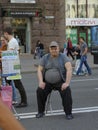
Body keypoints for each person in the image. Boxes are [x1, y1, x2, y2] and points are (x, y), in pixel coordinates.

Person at [36, 41, 73, 120]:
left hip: (60, 82)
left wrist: (66, 83)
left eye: (55, 48)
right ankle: (40, 112)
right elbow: (39, 70)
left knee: (67, 90)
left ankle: (68, 113)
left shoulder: (63, 57)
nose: (54, 50)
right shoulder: (45, 57)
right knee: (40, 90)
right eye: (52, 49)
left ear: (58, 49)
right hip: (48, 82)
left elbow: (69, 69)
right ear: (49, 49)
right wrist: (41, 82)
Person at [3, 26, 28, 108]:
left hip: (13, 66)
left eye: (4, 34)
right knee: (9, 83)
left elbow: (10, 54)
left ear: (6, 33)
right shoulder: (11, 41)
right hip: (12, 66)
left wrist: (2, 57)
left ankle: (24, 101)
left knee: (17, 84)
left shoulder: (12, 42)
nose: (4, 36)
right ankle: (9, 100)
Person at [0, 35, 18, 104]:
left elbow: (9, 56)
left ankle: (14, 98)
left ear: (6, 40)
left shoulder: (8, 47)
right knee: (4, 84)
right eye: (1, 40)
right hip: (2, 68)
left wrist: (2, 59)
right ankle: (6, 99)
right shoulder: (2, 47)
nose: (2, 42)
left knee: (10, 84)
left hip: (8, 68)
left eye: (3, 40)